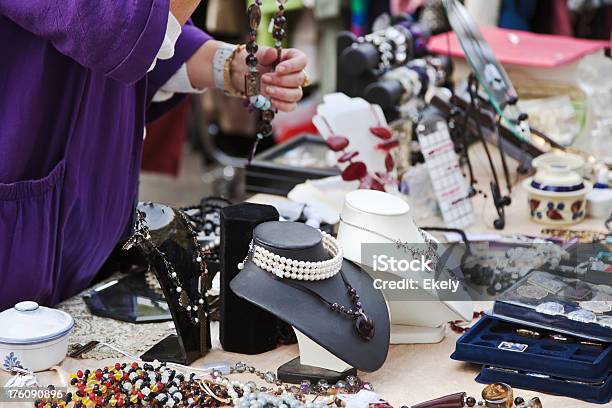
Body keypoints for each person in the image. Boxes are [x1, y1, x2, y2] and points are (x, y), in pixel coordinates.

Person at [0, 1, 308, 310]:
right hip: (19, 239)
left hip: (88, 232)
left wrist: (230, 66)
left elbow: (152, 38)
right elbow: (114, 29)